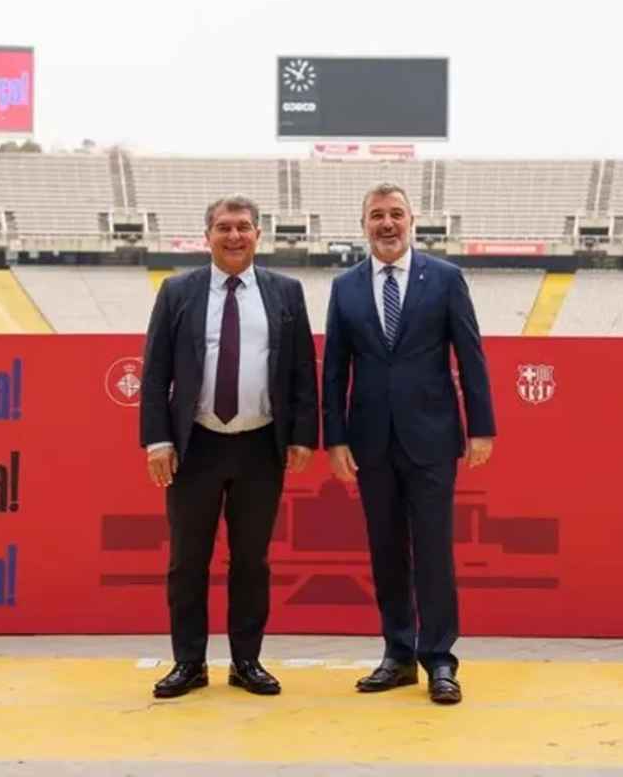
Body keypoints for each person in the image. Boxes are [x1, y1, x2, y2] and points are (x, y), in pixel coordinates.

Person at [322, 182, 496, 705]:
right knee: (387, 552)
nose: (387, 224)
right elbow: (334, 370)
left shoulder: (445, 278)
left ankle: (440, 658)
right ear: (364, 225)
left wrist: (481, 426)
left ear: (412, 220)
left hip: (433, 440)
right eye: (376, 215)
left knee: (434, 552)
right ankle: (397, 655)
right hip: (370, 442)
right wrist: (335, 439)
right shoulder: (345, 287)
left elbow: (470, 356)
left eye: (396, 214)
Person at [138, 194, 318, 698]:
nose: (234, 235)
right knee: (187, 561)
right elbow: (155, 375)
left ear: (259, 234)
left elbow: (304, 367)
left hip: (261, 446)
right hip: (195, 447)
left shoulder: (287, 292)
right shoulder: (177, 292)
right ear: (207, 236)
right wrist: (157, 441)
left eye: (243, 226)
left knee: (251, 560)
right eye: (223, 227)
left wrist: (304, 434)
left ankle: (246, 661)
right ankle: (189, 663)